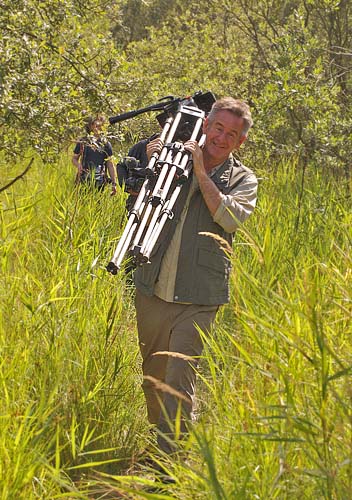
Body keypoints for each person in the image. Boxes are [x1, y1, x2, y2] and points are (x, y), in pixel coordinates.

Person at [133, 97, 258, 457]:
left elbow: (230, 219)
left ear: (240, 142)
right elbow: (137, 202)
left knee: (178, 382)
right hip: (152, 286)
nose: (222, 137)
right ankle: (162, 444)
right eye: (217, 127)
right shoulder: (173, 159)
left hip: (200, 297)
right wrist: (150, 159)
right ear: (205, 125)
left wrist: (201, 170)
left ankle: (170, 466)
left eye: (231, 134)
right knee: (154, 378)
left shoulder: (243, 179)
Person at [72, 114, 117, 195]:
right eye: (96, 125)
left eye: (101, 126)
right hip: (83, 178)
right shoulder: (83, 141)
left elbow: (110, 164)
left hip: (100, 180)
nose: (98, 128)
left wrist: (114, 183)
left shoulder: (106, 144)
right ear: (91, 126)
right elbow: (74, 158)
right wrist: (78, 165)